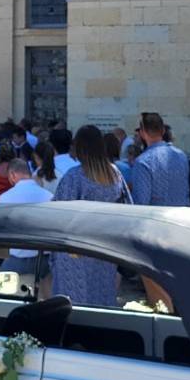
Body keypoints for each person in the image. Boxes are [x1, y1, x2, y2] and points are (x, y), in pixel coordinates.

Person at [51, 125, 128, 307]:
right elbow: (126, 207)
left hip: (76, 249)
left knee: (73, 302)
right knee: (101, 298)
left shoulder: (75, 176)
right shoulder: (114, 173)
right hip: (105, 247)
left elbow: (58, 213)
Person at [0, 158, 52, 276]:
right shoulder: (49, 196)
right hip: (45, 260)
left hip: (16, 259)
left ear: (12, 174)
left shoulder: (4, 199)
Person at [131, 112, 189, 207]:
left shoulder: (143, 161)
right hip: (181, 217)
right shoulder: (181, 155)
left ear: (142, 133)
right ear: (163, 131)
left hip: (156, 219)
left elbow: (141, 203)